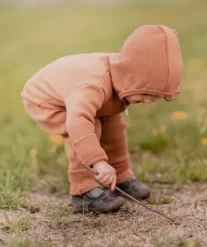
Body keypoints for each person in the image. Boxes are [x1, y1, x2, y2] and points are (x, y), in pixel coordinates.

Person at [21, 25, 183, 213]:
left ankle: (121, 177)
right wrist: (98, 162)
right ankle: (83, 192)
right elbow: (78, 121)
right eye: (146, 94)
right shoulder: (94, 85)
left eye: (156, 97)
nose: (148, 101)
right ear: (130, 77)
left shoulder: (121, 74)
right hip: (44, 99)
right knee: (90, 127)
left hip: (73, 95)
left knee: (114, 124)